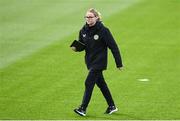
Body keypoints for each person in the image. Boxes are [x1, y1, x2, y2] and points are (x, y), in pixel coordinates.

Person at [71, 8, 123, 116]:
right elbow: (82, 45)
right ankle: (112, 106)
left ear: (96, 18)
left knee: (88, 83)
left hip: (99, 62)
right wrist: (76, 48)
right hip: (90, 62)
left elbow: (114, 47)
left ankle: (82, 108)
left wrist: (119, 63)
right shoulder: (83, 30)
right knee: (101, 84)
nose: (88, 19)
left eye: (90, 17)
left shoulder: (103, 31)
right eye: (86, 17)